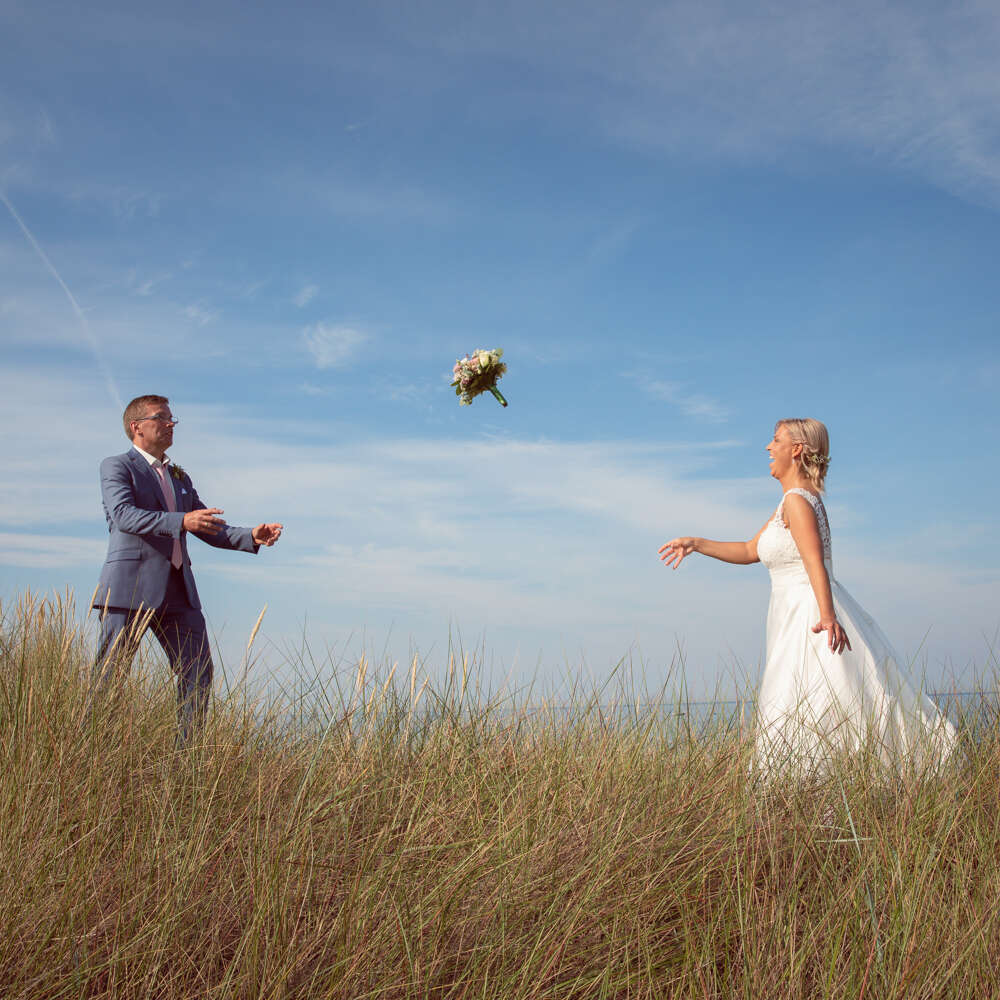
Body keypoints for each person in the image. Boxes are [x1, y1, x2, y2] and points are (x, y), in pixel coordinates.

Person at [658, 418, 956, 773]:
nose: (769, 447)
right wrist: (696, 543)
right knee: (813, 703)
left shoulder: (798, 502)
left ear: (796, 449)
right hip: (794, 612)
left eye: (776, 440)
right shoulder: (792, 502)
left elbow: (815, 563)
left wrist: (827, 616)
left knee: (800, 701)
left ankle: (809, 787)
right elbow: (751, 550)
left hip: (807, 615)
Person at [91, 394, 283, 743]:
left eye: (172, 418)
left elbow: (206, 525)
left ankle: (186, 758)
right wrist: (181, 521)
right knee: (110, 677)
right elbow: (124, 516)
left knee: (198, 672)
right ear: (137, 427)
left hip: (180, 593)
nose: (171, 424)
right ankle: (94, 753)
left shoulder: (180, 477)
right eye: (161, 417)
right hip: (128, 589)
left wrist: (251, 536)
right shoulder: (116, 466)